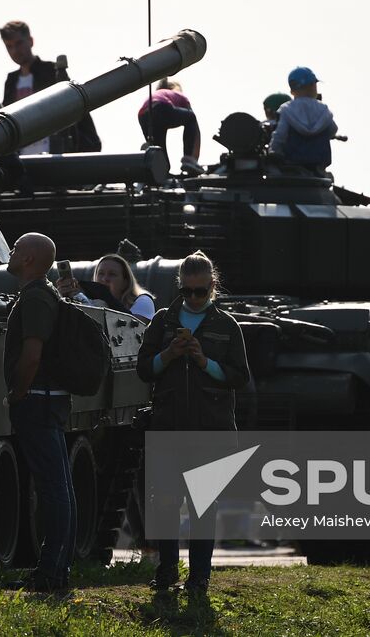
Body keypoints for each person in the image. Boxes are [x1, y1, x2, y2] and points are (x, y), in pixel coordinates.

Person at [135, 251, 249, 596]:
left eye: (201, 291)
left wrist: (202, 360)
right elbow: (144, 370)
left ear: (213, 287)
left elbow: (239, 377)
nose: (194, 298)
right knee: (166, 502)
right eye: (187, 291)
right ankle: (167, 569)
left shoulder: (227, 326)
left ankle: (199, 576)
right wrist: (168, 354)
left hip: (211, 430)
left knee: (203, 507)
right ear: (180, 287)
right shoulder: (162, 321)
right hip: (168, 425)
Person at [3, 232, 75, 593]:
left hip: (38, 399)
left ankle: (50, 572)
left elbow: (32, 354)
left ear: (29, 258)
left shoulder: (35, 298)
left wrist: (17, 392)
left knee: (52, 488)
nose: (11, 253)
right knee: (59, 486)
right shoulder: (44, 294)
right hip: (48, 398)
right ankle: (56, 571)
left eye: (16, 249)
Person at [0, 20, 101, 154]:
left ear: (30, 41)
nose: (15, 50)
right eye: (9, 46)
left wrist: (88, 146)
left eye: (19, 43)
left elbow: (75, 107)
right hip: (23, 156)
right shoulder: (11, 81)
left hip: (54, 154)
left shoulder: (52, 71)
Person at [269, 66, 338, 170]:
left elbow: (280, 135)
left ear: (292, 89)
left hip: (292, 165)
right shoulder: (323, 109)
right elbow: (333, 129)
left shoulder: (287, 109)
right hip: (318, 165)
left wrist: (273, 151)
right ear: (312, 86)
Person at [56, 253, 156, 322]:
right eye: (101, 274)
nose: (105, 279)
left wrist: (106, 296)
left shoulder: (143, 300)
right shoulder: (86, 299)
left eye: (112, 274)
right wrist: (63, 300)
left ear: (125, 281)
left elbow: (132, 330)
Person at [137, 80, 201, 175]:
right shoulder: (178, 95)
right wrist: (194, 159)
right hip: (161, 107)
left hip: (143, 114)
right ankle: (189, 160)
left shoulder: (158, 94)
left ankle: (153, 158)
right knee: (191, 117)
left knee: (161, 159)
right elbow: (195, 130)